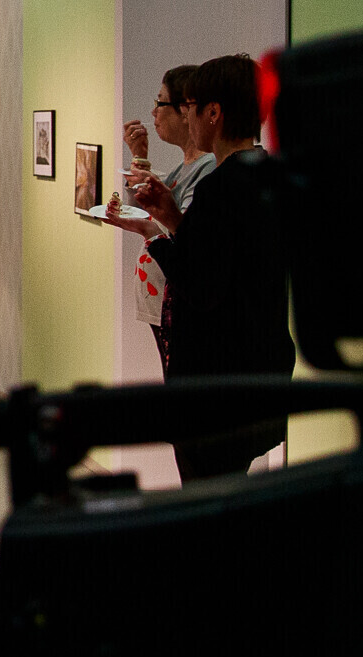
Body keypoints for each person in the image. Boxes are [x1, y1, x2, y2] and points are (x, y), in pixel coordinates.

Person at [128, 54, 294, 479]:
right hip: (260, 374)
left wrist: (155, 236)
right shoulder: (270, 175)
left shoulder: (219, 189)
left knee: (207, 492)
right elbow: (226, 261)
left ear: (213, 113)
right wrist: (173, 219)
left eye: (190, 107)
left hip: (216, 387)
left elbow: (200, 286)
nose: (187, 117)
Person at [112, 64, 215, 374]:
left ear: (186, 110)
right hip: (164, 298)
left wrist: (149, 225)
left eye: (160, 102)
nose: (153, 112)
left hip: (179, 297)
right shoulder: (186, 167)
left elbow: (182, 231)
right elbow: (147, 209)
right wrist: (139, 156)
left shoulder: (208, 167)